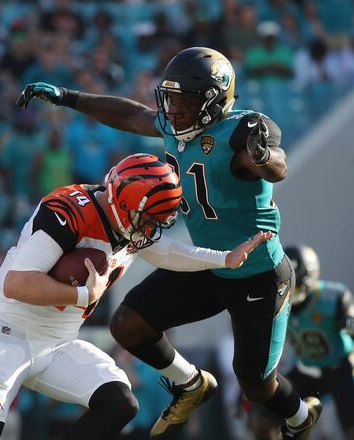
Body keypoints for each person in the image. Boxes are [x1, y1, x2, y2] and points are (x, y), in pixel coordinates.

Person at [16, 46, 319, 439]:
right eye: (171, 99)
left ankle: (300, 418)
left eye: (185, 101)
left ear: (214, 101)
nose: (174, 110)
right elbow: (130, 115)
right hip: (210, 262)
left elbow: (276, 165)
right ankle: (191, 383)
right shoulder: (177, 124)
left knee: (256, 385)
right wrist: (68, 97)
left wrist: (263, 156)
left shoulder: (241, 131)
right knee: (128, 324)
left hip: (257, 273)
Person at [0, 154, 270, 440]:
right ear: (125, 205)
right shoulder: (70, 211)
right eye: (148, 221)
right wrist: (82, 294)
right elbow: (16, 284)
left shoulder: (129, 219)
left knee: (120, 402)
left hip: (58, 342)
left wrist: (223, 259)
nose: (150, 230)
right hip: (6, 333)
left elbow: (167, 252)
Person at [281, 245, 353, 439]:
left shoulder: (331, 297)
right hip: (307, 368)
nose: (289, 291)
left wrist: (349, 320)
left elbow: (351, 326)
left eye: (294, 284)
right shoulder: (276, 302)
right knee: (265, 413)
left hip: (340, 366)